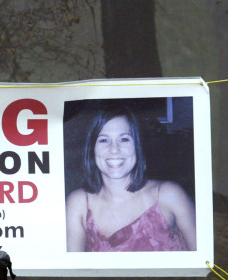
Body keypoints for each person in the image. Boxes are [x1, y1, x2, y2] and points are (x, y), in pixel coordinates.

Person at [65, 105, 196, 252]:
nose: (114, 149)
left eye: (124, 139)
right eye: (103, 140)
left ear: (137, 146)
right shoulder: (79, 203)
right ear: (92, 149)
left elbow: (206, 264)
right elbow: (75, 272)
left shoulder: (169, 195)